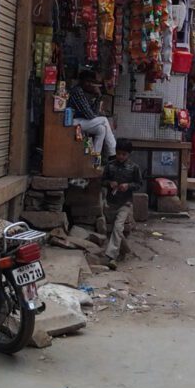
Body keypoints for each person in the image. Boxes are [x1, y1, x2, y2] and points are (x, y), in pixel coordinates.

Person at [100, 138, 142, 269]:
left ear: (129, 154)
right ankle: (125, 250)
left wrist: (128, 186)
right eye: (119, 153)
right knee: (115, 230)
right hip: (111, 202)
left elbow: (139, 184)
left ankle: (111, 257)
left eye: (124, 154)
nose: (120, 157)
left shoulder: (134, 168)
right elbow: (102, 180)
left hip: (126, 203)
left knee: (118, 227)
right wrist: (109, 183)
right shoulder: (110, 165)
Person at [67, 68, 116, 162]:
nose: (89, 84)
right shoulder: (77, 91)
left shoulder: (87, 93)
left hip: (81, 122)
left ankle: (94, 160)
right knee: (104, 120)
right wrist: (96, 115)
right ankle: (112, 153)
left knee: (101, 129)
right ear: (81, 81)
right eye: (87, 81)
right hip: (72, 122)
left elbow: (94, 113)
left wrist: (98, 96)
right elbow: (90, 115)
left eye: (92, 82)